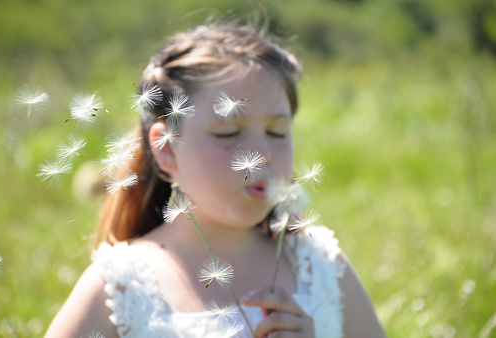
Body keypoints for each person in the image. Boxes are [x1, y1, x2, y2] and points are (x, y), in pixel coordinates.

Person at [46, 22, 385, 338]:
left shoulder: (320, 267)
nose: (261, 153)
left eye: (277, 132)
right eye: (228, 132)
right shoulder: (118, 287)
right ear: (166, 149)